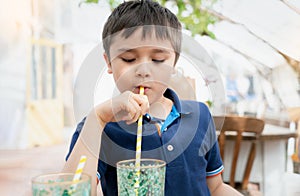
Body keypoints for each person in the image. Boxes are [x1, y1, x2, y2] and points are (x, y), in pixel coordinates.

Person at [63, 0, 242, 195]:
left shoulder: (200, 116)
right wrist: (97, 120)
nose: (144, 70)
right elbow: (72, 191)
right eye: (129, 59)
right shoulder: (100, 127)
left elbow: (215, 187)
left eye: (158, 60)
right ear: (108, 62)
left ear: (174, 62)